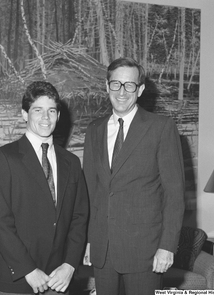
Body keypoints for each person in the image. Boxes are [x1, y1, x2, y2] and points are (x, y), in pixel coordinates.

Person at [83, 57, 185, 295]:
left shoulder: (161, 127)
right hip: (103, 250)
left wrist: (167, 247)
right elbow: (90, 191)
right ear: (107, 86)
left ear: (139, 90)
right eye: (116, 84)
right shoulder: (94, 130)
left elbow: (175, 195)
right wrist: (88, 240)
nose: (122, 91)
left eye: (129, 85)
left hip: (145, 251)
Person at [0, 81, 89, 295]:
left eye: (51, 111)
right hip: (16, 278)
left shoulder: (72, 162)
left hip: (58, 280)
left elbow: (79, 217)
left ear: (58, 116)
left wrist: (69, 265)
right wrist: (28, 270)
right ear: (25, 114)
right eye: (37, 110)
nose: (45, 118)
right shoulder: (4, 157)